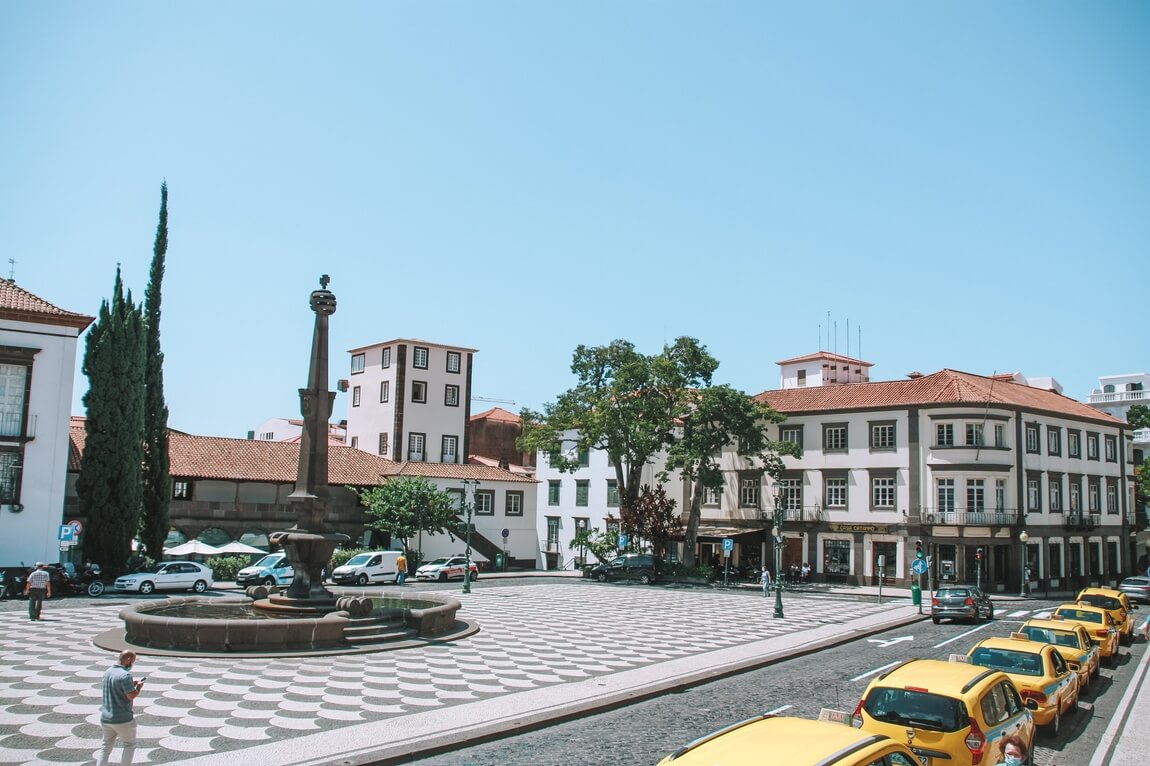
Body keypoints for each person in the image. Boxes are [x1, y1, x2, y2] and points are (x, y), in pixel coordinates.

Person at [98, 650, 143, 766]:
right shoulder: (125, 675)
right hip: (122, 719)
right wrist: (138, 688)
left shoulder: (108, 671)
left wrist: (130, 684)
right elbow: (131, 695)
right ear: (128, 660)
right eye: (132, 661)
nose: (132, 664)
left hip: (106, 717)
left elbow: (116, 686)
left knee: (105, 747)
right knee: (129, 745)